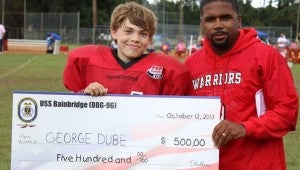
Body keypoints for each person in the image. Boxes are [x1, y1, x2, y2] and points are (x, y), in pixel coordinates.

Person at [184, 0, 298, 169]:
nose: (218, 25)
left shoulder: (266, 56)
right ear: (202, 24)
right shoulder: (191, 64)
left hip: (257, 164)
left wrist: (245, 127)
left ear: (239, 20)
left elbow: (286, 112)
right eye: (210, 19)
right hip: (207, 164)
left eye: (225, 18)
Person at [63, 2, 191, 96]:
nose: (135, 38)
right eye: (128, 31)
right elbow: (72, 109)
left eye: (143, 34)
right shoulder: (86, 59)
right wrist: (84, 94)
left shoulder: (168, 70)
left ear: (150, 39)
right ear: (114, 32)